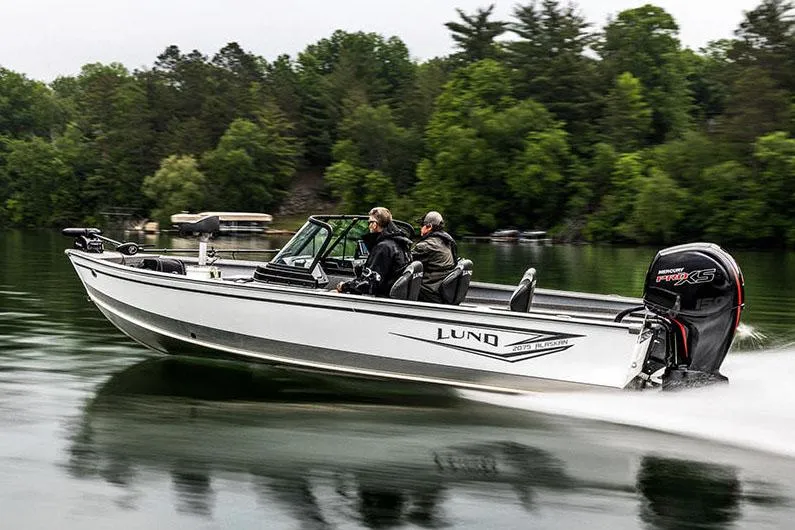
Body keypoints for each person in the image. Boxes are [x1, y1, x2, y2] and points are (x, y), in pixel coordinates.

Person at [336, 207, 412, 296]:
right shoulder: (399, 243)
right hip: (390, 294)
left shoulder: (383, 248)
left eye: (369, 222)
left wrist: (344, 286)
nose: (369, 226)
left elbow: (368, 284)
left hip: (382, 298)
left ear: (374, 224)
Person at [411, 211, 457, 303]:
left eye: (422, 225)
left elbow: (405, 262)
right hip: (441, 290)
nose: (420, 228)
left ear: (429, 227)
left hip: (429, 291)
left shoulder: (426, 245)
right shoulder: (448, 242)